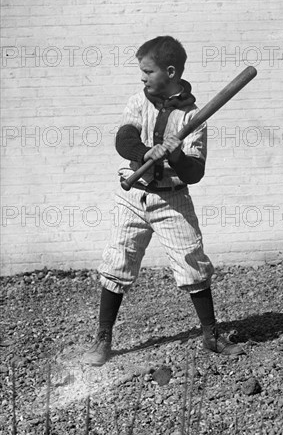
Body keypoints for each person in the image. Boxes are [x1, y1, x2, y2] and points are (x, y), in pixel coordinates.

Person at [82, 35, 243, 367]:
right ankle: (103, 337)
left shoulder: (192, 118)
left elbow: (195, 171)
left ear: (169, 72)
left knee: (193, 263)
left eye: (147, 71)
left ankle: (211, 335)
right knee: (118, 260)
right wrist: (145, 153)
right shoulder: (138, 102)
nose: (142, 77)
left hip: (173, 199)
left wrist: (177, 155)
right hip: (134, 195)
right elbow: (123, 138)